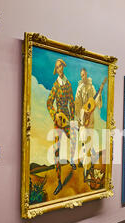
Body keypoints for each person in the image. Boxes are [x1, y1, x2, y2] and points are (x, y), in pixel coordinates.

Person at [46, 58, 77, 195]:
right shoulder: (55, 86)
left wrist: (72, 118)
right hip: (58, 121)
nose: (59, 69)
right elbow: (48, 103)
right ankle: (59, 182)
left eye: (60, 66)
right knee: (56, 151)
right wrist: (55, 115)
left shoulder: (69, 84)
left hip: (68, 119)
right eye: (57, 67)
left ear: (63, 67)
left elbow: (72, 102)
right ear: (56, 70)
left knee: (74, 140)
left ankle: (72, 160)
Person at [74, 68, 104, 181]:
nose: (83, 77)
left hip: (90, 120)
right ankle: (86, 171)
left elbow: (96, 102)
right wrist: (82, 113)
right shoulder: (79, 88)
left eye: (84, 75)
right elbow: (77, 104)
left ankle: (87, 169)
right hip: (83, 121)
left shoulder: (91, 88)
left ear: (86, 75)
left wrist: (99, 93)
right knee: (84, 144)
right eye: (81, 75)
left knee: (89, 145)